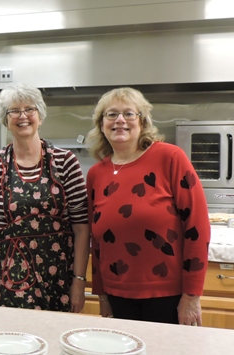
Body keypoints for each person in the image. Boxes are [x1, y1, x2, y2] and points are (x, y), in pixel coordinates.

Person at [85, 87, 210, 325]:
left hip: (167, 294)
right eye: (111, 114)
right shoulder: (96, 174)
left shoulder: (170, 158)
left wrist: (192, 295)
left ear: (142, 122)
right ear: (101, 124)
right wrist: (101, 293)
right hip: (117, 293)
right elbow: (97, 241)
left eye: (129, 114)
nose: (120, 120)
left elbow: (197, 226)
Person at [0, 83, 89, 312]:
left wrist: (79, 280)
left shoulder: (65, 161)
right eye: (14, 111)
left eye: (29, 109)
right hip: (10, 279)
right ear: (5, 119)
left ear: (40, 114)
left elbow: (81, 227)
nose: (22, 116)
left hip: (60, 275)